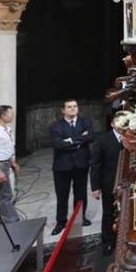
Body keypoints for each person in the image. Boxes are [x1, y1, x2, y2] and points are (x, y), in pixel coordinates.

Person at [50, 99, 93, 235]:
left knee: (81, 193)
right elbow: (58, 144)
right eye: (69, 107)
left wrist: (69, 141)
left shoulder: (85, 122)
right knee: (62, 195)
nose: (73, 109)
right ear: (63, 110)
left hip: (81, 164)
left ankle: (80, 218)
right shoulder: (55, 126)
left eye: (75, 106)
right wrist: (80, 139)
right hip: (62, 166)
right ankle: (61, 222)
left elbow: (91, 137)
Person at [90, 113, 124, 255]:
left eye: (124, 121)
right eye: (119, 120)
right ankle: (108, 241)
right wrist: (95, 187)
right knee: (108, 213)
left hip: (127, 183)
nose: (122, 123)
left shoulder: (131, 138)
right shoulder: (103, 140)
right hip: (109, 183)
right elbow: (95, 165)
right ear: (112, 123)